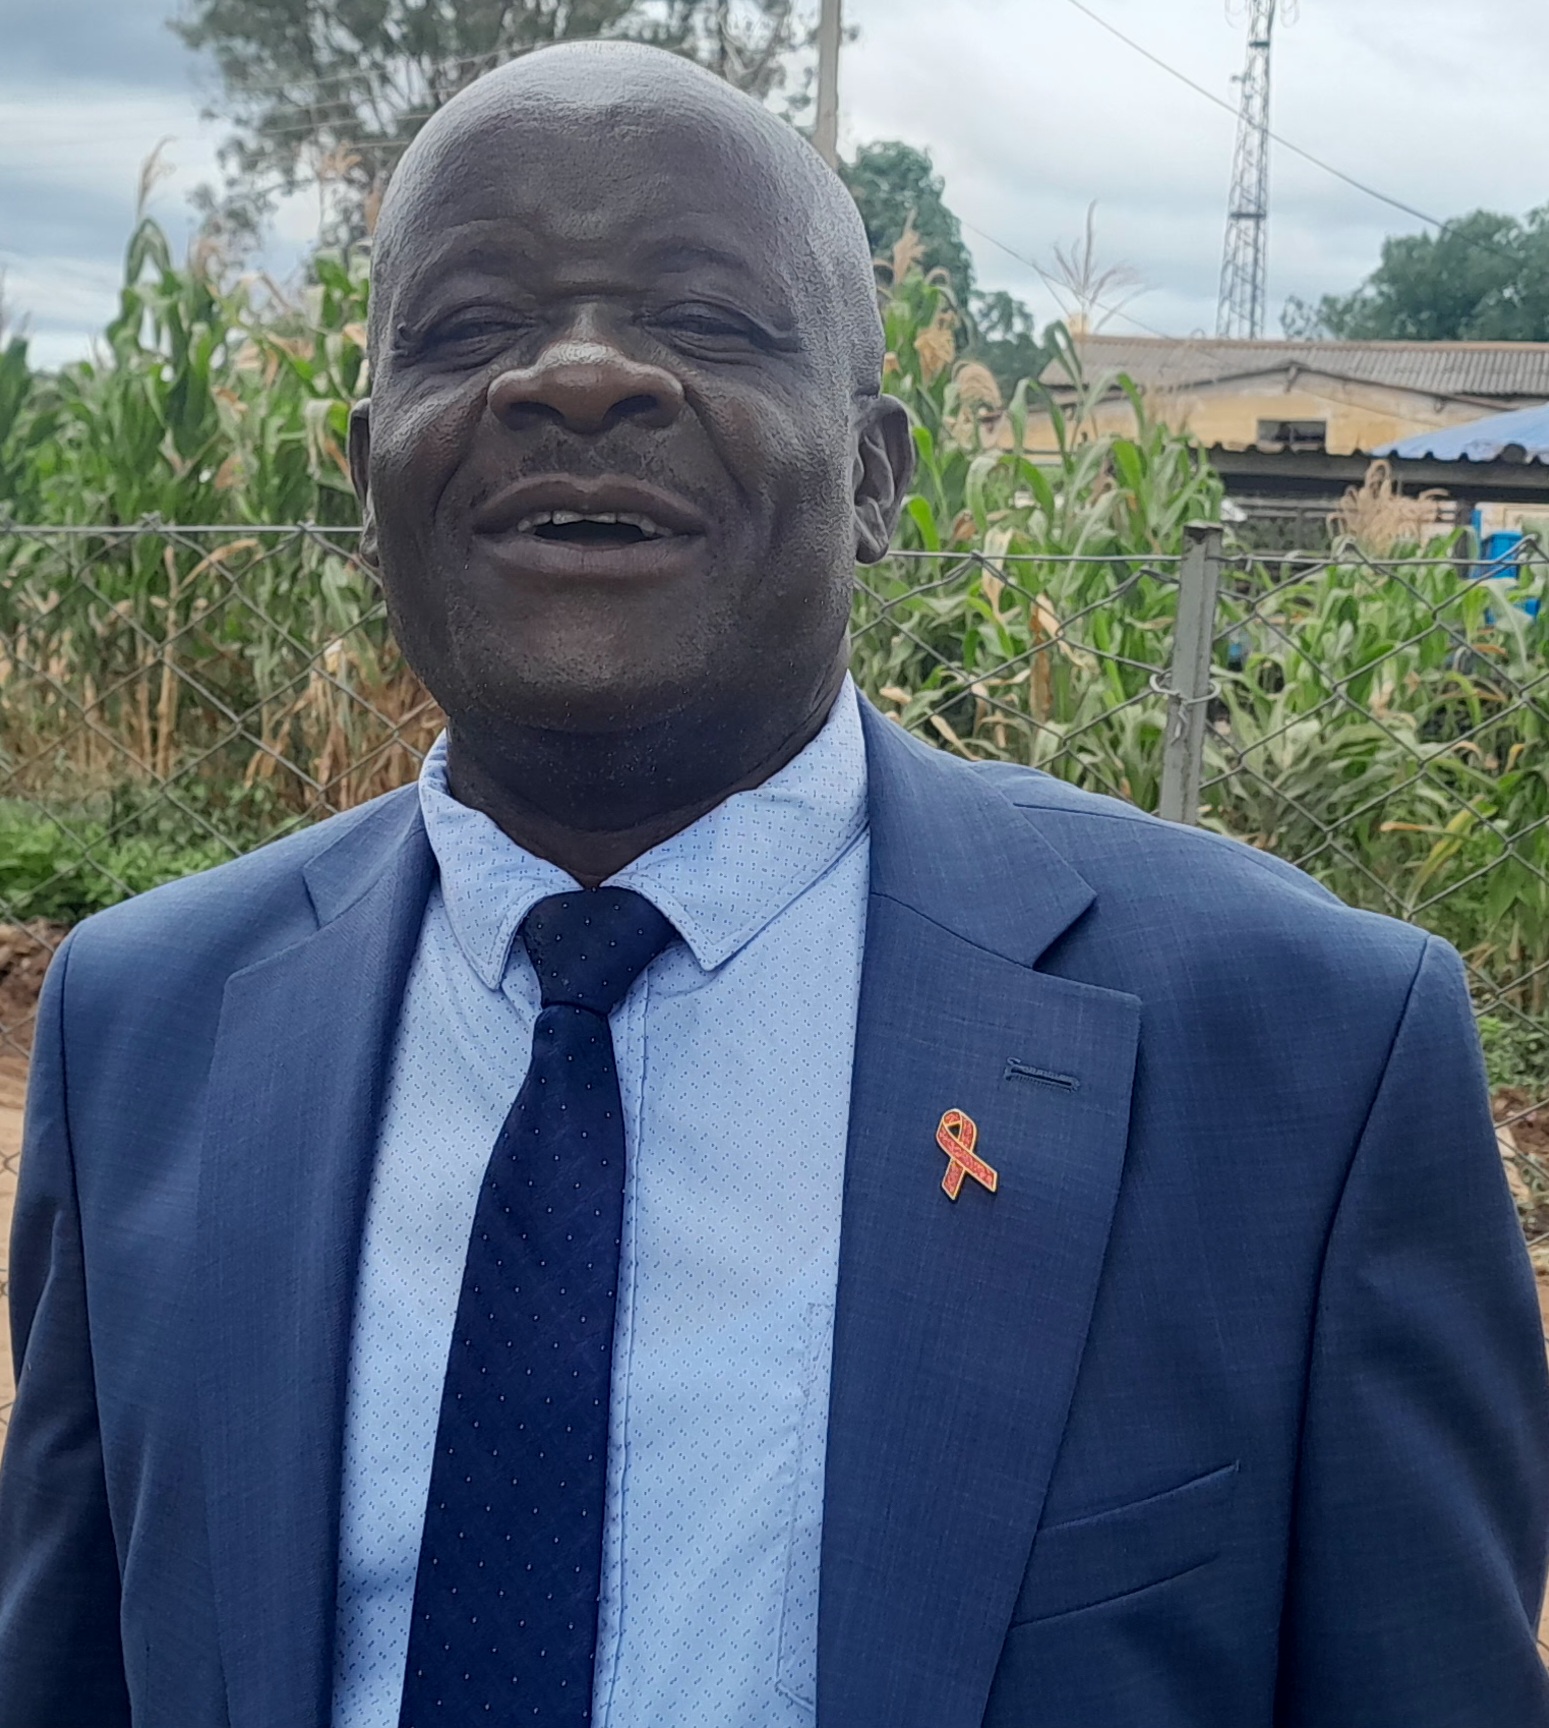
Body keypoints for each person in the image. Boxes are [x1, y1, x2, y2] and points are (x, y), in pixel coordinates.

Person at [2, 41, 1546, 1728]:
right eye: (470, 326)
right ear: (369, 472)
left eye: (707, 320)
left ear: (875, 475)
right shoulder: (140, 1031)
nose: (577, 375)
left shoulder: (1303, 1056)